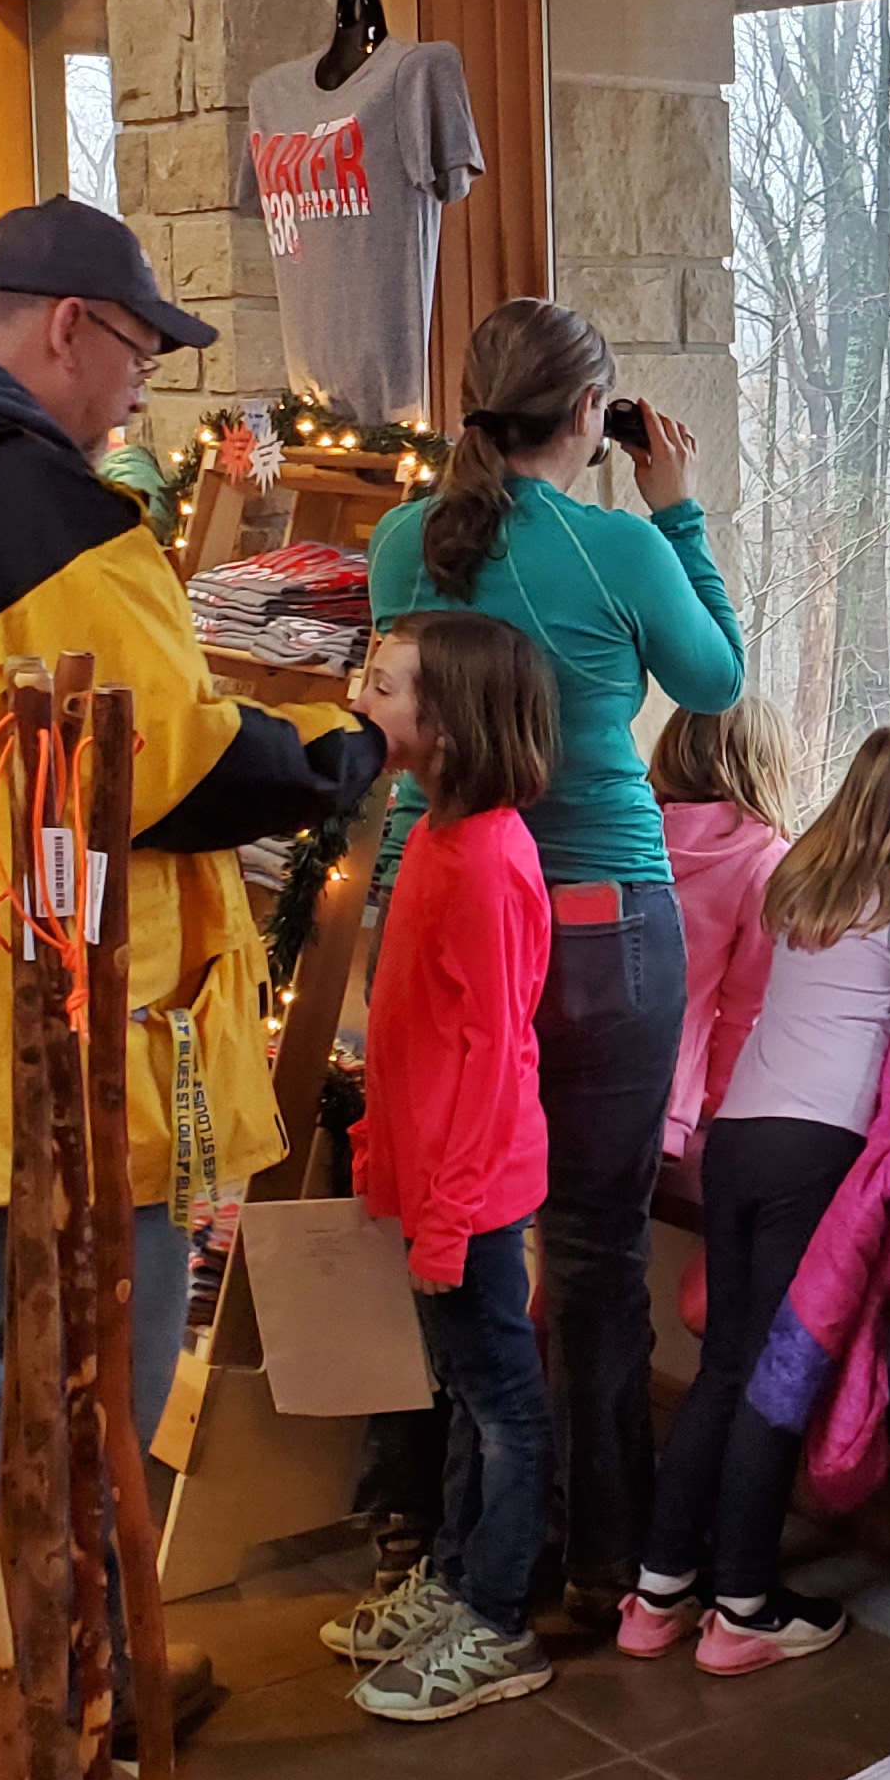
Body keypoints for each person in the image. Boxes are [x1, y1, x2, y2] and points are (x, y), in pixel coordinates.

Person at [0, 201, 386, 1741]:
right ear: (66, 330)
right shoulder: (50, 510)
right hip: (66, 1032)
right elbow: (154, 768)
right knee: (97, 1366)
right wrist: (332, 753)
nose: (135, 399)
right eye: (134, 358)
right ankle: (61, 1670)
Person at [370, 299, 743, 1621]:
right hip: (595, 919)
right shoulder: (622, 548)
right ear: (591, 419)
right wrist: (678, 507)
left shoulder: (399, 542)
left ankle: (474, 1550)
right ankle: (604, 1563)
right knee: (593, 1251)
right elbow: (713, 683)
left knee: (462, 1234)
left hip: (448, 917)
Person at [623, 719, 890, 1672]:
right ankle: (744, 1604)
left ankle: (659, 1591)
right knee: (779, 1376)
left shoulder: (800, 886)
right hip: (821, 1149)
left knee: (725, 1367)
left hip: (740, 1135)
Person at [340, 612, 563, 1723]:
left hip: (469, 1194)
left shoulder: (487, 861)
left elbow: (495, 1056)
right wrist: (385, 1155)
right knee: (470, 1397)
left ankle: (498, 1614)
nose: (360, 701)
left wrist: (448, 1214)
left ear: (451, 715)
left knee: (506, 1405)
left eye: (384, 687)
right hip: (433, 1184)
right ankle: (460, 1579)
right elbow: (410, 1028)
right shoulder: (434, 836)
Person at [653, 694, 799, 1169]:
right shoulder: (762, 857)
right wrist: (718, 1103)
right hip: (668, 1099)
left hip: (569, 1078)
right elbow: (744, 1008)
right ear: (766, 766)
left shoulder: (627, 833)